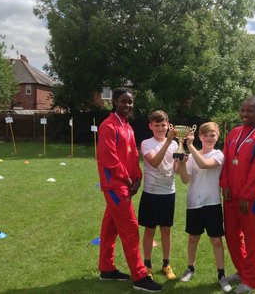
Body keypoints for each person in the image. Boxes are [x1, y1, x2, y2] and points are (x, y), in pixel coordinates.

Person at [96, 87, 162, 292]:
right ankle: (140, 276)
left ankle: (107, 269)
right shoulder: (108, 126)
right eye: (123, 101)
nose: (127, 105)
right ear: (114, 101)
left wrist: (137, 177)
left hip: (125, 184)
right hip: (115, 185)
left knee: (110, 228)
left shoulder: (127, 126)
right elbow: (109, 160)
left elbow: (133, 156)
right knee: (130, 229)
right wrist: (126, 179)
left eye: (130, 102)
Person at [219, 97, 255, 294]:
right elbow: (225, 161)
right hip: (230, 196)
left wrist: (246, 196)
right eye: (242, 110)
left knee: (252, 240)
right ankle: (242, 271)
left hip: (249, 199)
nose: (244, 115)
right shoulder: (234, 133)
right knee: (232, 236)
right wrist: (224, 184)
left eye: (249, 111)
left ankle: (252, 281)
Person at [175, 122, 232, 293]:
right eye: (205, 135)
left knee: (216, 240)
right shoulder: (192, 155)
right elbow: (185, 179)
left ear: (218, 136)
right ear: (200, 136)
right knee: (193, 238)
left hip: (212, 202)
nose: (209, 138)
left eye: (212, 135)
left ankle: (221, 275)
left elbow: (205, 164)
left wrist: (190, 146)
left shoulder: (219, 154)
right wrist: (183, 164)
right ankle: (190, 268)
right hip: (194, 202)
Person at [138, 110, 178, 281]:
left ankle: (166, 264)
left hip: (168, 192)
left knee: (166, 230)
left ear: (168, 125)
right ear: (151, 126)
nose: (161, 128)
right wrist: (167, 142)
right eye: (157, 125)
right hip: (151, 192)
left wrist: (181, 162)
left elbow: (174, 169)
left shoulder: (176, 144)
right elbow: (154, 163)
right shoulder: (147, 143)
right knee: (149, 230)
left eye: (163, 125)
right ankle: (147, 265)